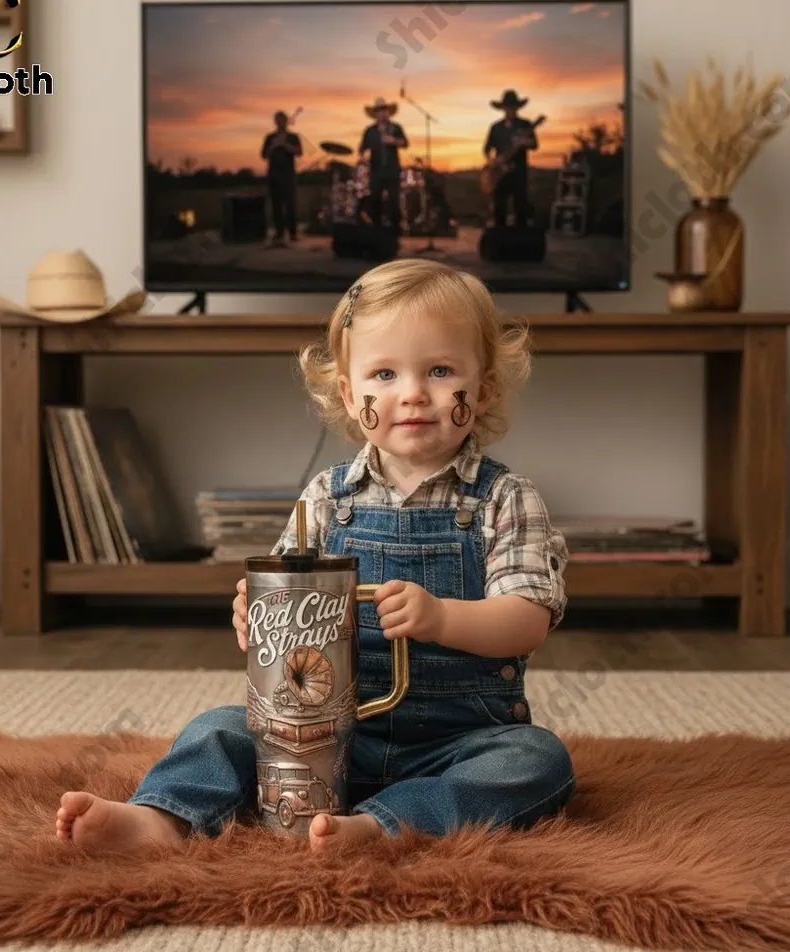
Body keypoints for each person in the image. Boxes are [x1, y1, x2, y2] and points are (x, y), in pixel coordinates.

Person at [54, 258, 574, 855]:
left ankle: (383, 825)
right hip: (318, 735)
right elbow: (283, 592)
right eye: (383, 374)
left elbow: (527, 620)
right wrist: (256, 613)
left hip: (460, 739)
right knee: (219, 728)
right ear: (350, 396)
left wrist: (443, 619)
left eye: (438, 370)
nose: (410, 393)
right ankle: (160, 817)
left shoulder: (506, 497)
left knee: (538, 761)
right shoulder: (327, 497)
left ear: (481, 390)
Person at [483, 89, 541, 228]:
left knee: (520, 206)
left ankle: (520, 242)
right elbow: (486, 149)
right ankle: (500, 241)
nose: (510, 109)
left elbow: (535, 145)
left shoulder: (525, 124)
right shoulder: (495, 127)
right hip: (500, 173)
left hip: (519, 172)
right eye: (507, 107)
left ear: (517, 107)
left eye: (513, 106)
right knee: (499, 208)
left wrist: (524, 142)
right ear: (503, 108)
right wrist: (493, 162)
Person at [358, 96, 409, 235]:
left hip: (392, 170)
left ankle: (395, 232)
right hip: (376, 171)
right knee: (374, 200)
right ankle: (377, 231)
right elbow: (362, 148)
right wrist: (362, 158)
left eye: (384, 110)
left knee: (394, 201)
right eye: (379, 111)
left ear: (388, 112)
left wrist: (393, 141)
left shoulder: (396, 127)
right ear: (375, 114)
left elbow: (405, 143)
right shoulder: (370, 131)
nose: (382, 113)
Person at [260, 110, 302, 244]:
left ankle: (293, 233)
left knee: (290, 205)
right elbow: (264, 155)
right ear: (275, 122)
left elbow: (299, 152)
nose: (280, 122)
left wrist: (285, 145)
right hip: (273, 175)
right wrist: (274, 145)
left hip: (288, 175)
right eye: (277, 120)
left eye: (282, 119)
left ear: (285, 121)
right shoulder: (270, 137)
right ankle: (279, 233)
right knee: (276, 205)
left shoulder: (293, 136)